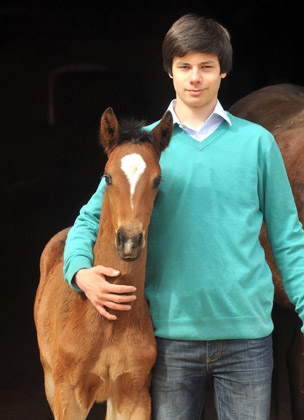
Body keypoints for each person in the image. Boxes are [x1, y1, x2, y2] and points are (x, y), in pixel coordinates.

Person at [63, 13, 304, 420]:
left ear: (223, 72)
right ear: (169, 71)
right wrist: (79, 272)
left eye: (207, 66)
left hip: (247, 339)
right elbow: (89, 220)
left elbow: (287, 235)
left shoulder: (258, 144)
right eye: (185, 66)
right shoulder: (141, 150)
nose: (196, 77)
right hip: (171, 339)